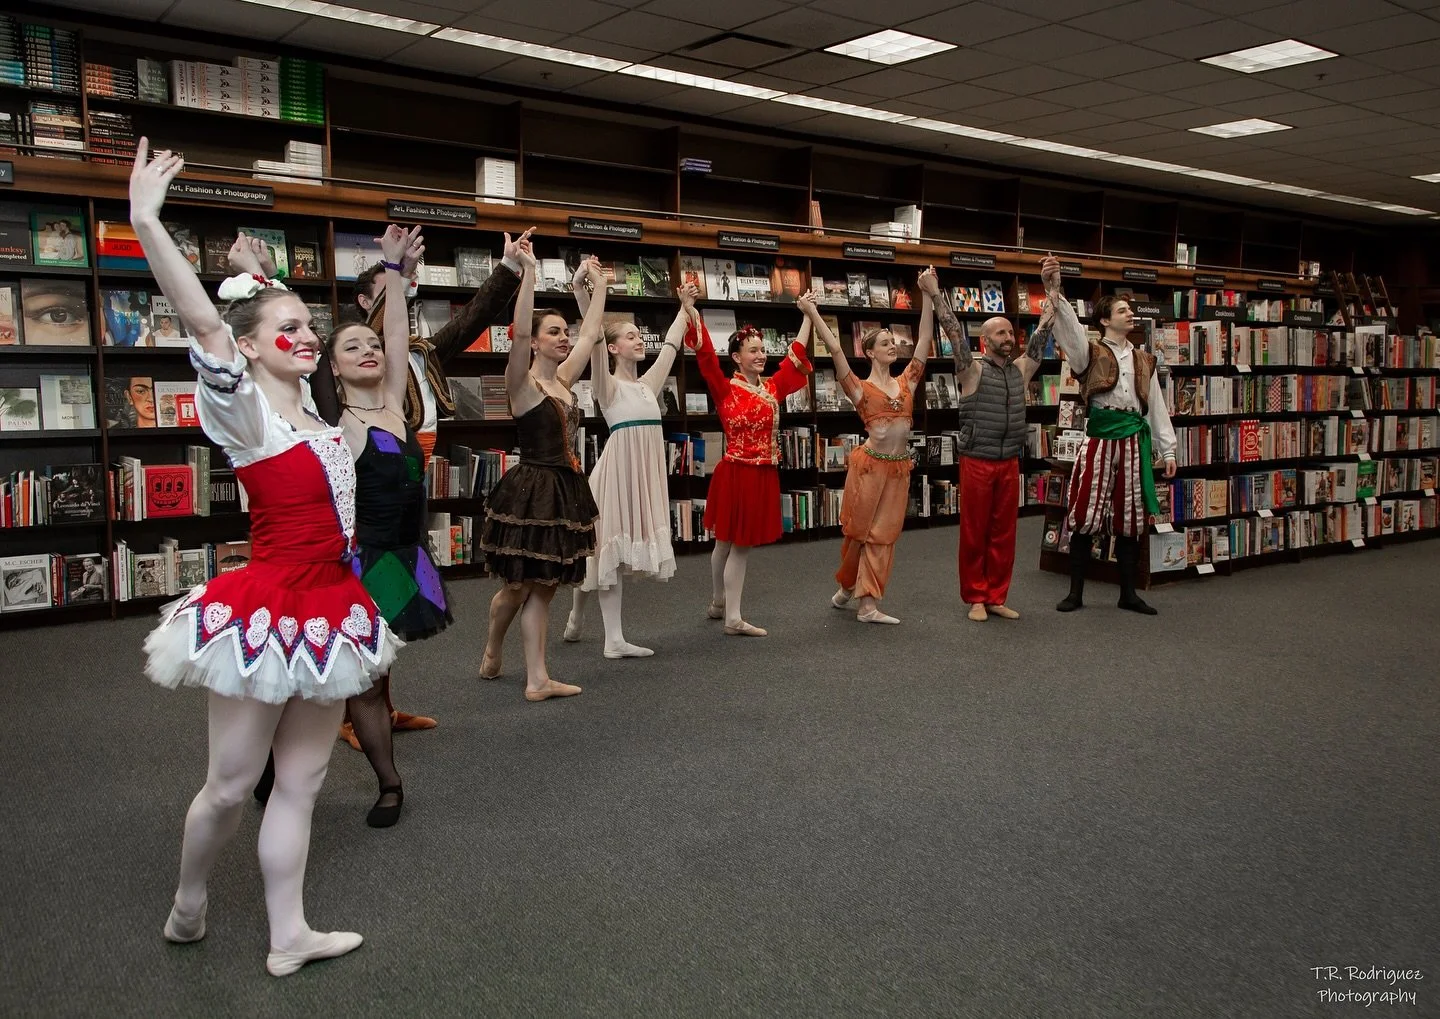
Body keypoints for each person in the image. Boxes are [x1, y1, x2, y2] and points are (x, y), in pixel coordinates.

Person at [129, 139, 400, 977]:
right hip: (268, 606)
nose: (308, 337)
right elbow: (209, 322)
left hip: (332, 607)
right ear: (247, 349)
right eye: (288, 330)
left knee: (304, 782)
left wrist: (270, 279)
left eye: (310, 327)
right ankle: (188, 902)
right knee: (226, 783)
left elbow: (282, 333)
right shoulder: (245, 418)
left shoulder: (320, 418)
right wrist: (146, 221)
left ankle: (289, 935)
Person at [253, 224, 446, 829]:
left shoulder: (393, 399)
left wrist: (392, 271)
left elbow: (393, 327)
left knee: (367, 675)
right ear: (330, 371)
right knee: (326, 673)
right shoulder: (337, 418)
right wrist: (266, 285)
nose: (369, 351)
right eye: (351, 348)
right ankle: (286, 765)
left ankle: (379, 782)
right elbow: (297, 350)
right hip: (359, 561)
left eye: (372, 345)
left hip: (404, 555)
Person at [476, 249, 602, 700]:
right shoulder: (522, 384)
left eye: (563, 331)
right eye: (554, 332)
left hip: (565, 490)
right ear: (535, 341)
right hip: (532, 492)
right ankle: (493, 648)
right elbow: (518, 332)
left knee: (545, 587)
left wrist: (598, 285)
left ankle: (536, 679)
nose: (564, 338)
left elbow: (591, 333)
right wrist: (528, 273)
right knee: (517, 587)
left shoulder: (564, 380)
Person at [563, 277, 699, 657]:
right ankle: (613, 640)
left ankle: (576, 616)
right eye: (631, 336)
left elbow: (671, 345)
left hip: (641, 480)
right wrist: (580, 292)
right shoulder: (606, 387)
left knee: (607, 556)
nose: (640, 340)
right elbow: (589, 334)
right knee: (608, 551)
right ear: (612, 347)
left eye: (640, 335)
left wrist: (684, 307)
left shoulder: (646, 387)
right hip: (615, 478)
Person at [1042, 255, 1177, 614]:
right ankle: (1075, 593)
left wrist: (1169, 451)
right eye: (1122, 311)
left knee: (1130, 518)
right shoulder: (1089, 352)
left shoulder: (1145, 359)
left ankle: (1128, 594)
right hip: (1100, 437)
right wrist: (1054, 289)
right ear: (1104, 319)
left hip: (1134, 438)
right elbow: (1068, 328)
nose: (1130, 315)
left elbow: (1156, 407)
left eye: (1130, 311)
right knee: (1085, 512)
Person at [801, 277, 934, 624]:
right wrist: (813, 312)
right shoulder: (860, 389)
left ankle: (868, 604)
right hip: (869, 469)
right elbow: (834, 350)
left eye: (894, 342)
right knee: (859, 532)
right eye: (886, 343)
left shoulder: (908, 382)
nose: (893, 347)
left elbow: (923, 342)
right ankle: (848, 585)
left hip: (898, 469)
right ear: (869, 351)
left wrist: (928, 295)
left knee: (884, 534)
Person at [924, 266, 1051, 621]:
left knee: (1004, 532)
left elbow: (1041, 335)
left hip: (1009, 461)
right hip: (977, 461)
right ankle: (976, 598)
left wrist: (1052, 294)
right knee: (975, 532)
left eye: (1010, 331)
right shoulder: (971, 370)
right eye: (1000, 333)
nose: (1008, 337)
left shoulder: (1021, 369)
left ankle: (996, 595)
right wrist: (936, 295)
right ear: (985, 341)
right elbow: (952, 332)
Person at [686, 309, 813, 636]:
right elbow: (705, 357)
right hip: (735, 473)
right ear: (736, 357)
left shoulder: (772, 389)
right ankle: (724, 608)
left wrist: (808, 315)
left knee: (737, 545)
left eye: (762, 349)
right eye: (753, 350)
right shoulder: (725, 388)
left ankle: (726, 611)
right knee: (726, 543)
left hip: (762, 475)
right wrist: (690, 309)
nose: (761, 354)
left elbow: (795, 357)